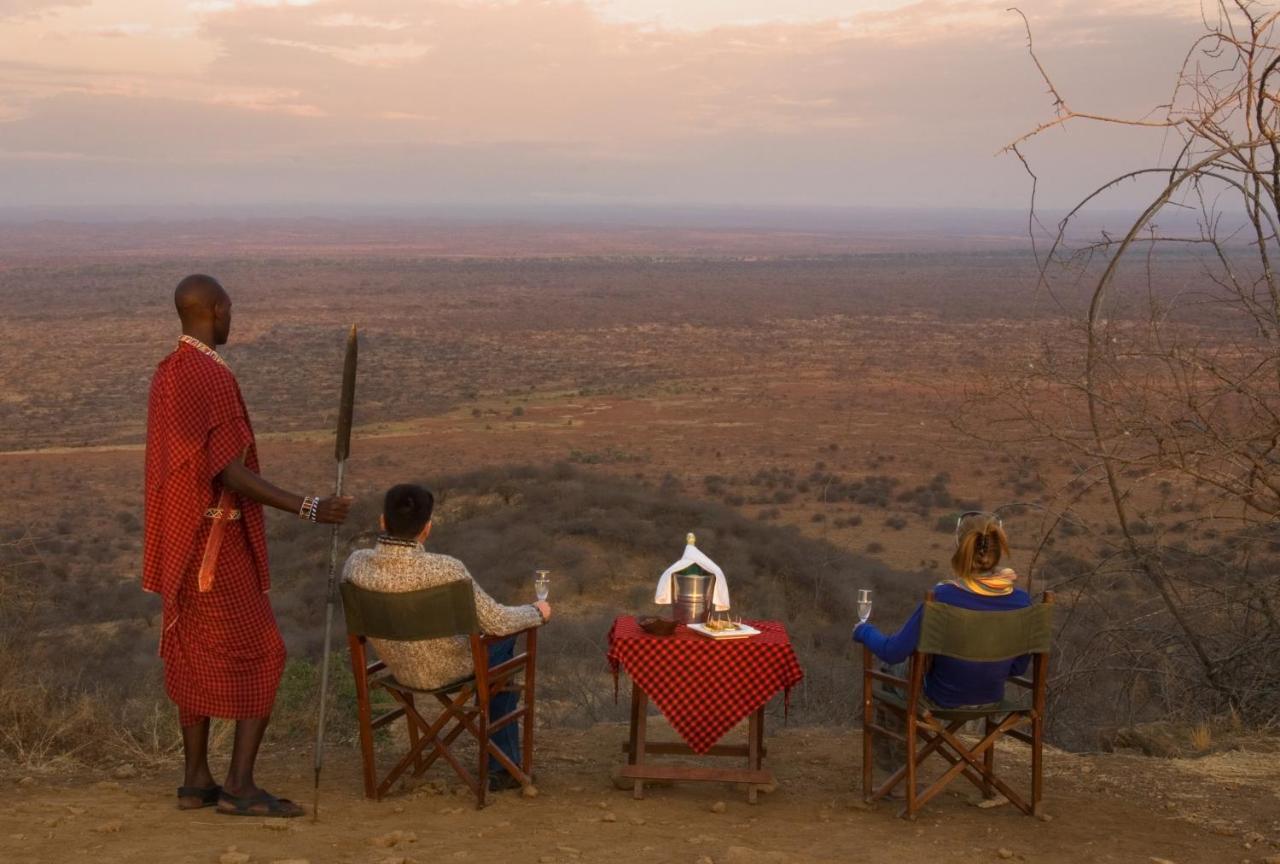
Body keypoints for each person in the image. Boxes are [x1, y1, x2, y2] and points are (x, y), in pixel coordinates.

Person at [143, 274, 353, 818]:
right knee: (265, 652)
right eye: (231, 309)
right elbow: (227, 471)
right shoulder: (208, 376)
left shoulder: (169, 372)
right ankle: (238, 785)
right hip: (214, 542)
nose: (233, 318)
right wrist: (308, 507)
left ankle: (195, 780)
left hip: (180, 543)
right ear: (217, 309)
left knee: (194, 649)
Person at [342, 483, 551, 792]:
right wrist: (537, 612)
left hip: (397, 669)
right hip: (451, 670)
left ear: (383, 522)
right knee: (505, 641)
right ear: (427, 528)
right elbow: (497, 620)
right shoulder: (446, 570)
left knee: (498, 654)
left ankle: (502, 761)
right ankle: (502, 765)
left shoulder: (355, 564)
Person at [853, 510, 1031, 769]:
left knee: (886, 679)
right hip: (992, 698)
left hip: (942, 698)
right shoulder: (1021, 601)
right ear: (997, 552)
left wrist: (863, 631)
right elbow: (1017, 668)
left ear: (959, 549)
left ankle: (895, 773)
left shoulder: (943, 596)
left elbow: (893, 651)